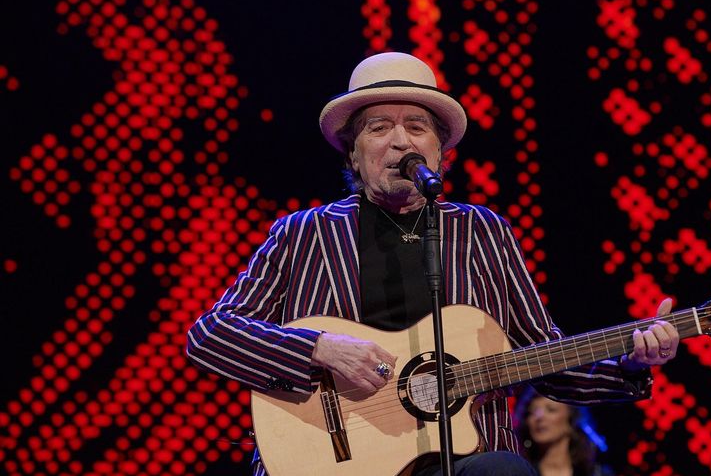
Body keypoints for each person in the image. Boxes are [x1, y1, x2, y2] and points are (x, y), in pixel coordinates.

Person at [185, 52, 680, 476]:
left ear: (439, 152)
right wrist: (319, 348)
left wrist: (632, 363)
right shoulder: (305, 233)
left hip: (465, 458)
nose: (401, 141)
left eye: (416, 126)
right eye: (379, 128)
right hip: (333, 458)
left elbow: (544, 358)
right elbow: (209, 336)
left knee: (503, 470)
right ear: (354, 156)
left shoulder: (484, 232)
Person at [515, 389, 614, 476]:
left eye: (551, 410)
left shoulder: (596, 473)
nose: (539, 417)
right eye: (532, 412)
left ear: (572, 420)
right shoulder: (519, 471)